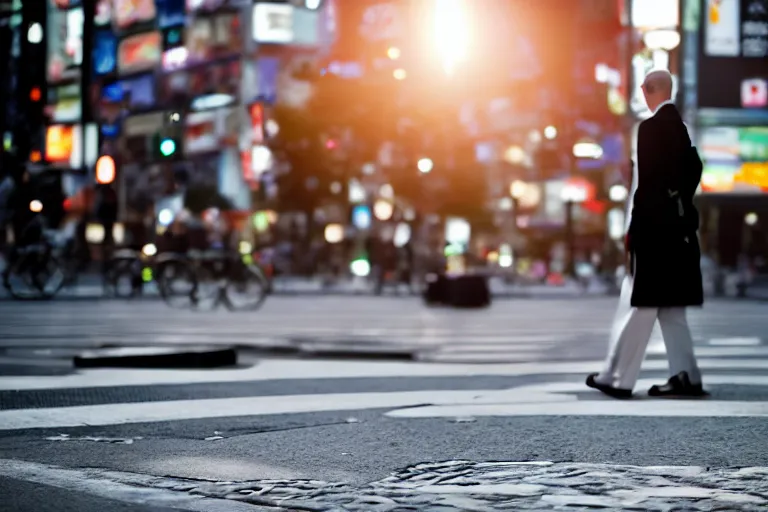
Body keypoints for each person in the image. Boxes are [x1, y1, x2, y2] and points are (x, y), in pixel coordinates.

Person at [586, 69, 706, 399]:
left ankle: (618, 379)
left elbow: (648, 187)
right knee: (670, 310)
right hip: (677, 233)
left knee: (644, 304)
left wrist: (633, 230)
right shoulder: (680, 128)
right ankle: (686, 377)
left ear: (649, 89)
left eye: (642, 89)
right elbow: (692, 170)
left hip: (654, 234)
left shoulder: (651, 128)